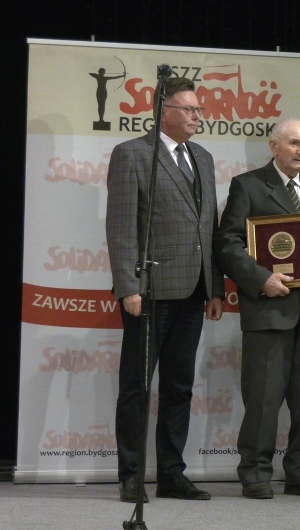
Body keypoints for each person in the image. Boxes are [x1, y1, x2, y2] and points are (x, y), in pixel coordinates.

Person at [213, 118, 300, 500]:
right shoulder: (249, 185)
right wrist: (260, 279)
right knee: (263, 399)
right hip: (269, 309)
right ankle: (255, 474)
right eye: (294, 143)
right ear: (274, 146)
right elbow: (228, 244)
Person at [106, 76, 224, 503]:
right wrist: (128, 286)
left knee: (180, 386)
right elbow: (120, 228)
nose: (197, 117)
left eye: (199, 110)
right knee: (137, 386)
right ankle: (131, 475)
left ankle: (172, 474)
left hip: (194, 291)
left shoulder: (204, 158)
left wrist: (215, 288)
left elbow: (207, 227)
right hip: (150, 291)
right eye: (189, 110)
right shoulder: (132, 155)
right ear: (163, 111)